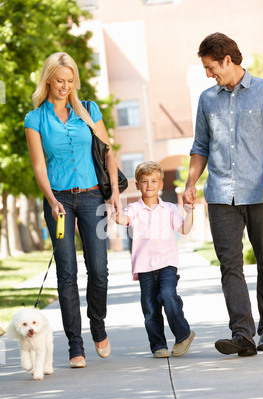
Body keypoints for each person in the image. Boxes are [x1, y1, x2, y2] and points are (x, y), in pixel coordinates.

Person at [184, 33, 263, 357]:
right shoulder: (207, 100)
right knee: (229, 265)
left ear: (227, 60)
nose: (208, 74)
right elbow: (200, 147)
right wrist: (191, 182)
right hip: (220, 195)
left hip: (261, 191)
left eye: (210, 67)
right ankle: (242, 333)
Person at [25, 52, 121, 368]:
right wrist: (52, 201)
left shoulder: (88, 110)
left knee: (100, 269)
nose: (65, 86)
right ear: (48, 78)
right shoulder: (35, 118)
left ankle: (98, 324)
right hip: (59, 201)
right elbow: (39, 166)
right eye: (60, 80)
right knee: (67, 273)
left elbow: (107, 153)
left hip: (93, 196)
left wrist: (116, 194)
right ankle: (75, 347)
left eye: (70, 81)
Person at [113, 162, 195, 358]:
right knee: (150, 308)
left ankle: (183, 334)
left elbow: (184, 229)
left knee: (167, 295)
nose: (149, 185)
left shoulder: (169, 209)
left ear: (160, 185)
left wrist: (190, 211)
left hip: (167, 263)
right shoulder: (133, 209)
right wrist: (114, 209)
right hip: (144, 266)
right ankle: (158, 345)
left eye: (153, 181)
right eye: (144, 181)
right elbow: (122, 219)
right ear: (137, 185)